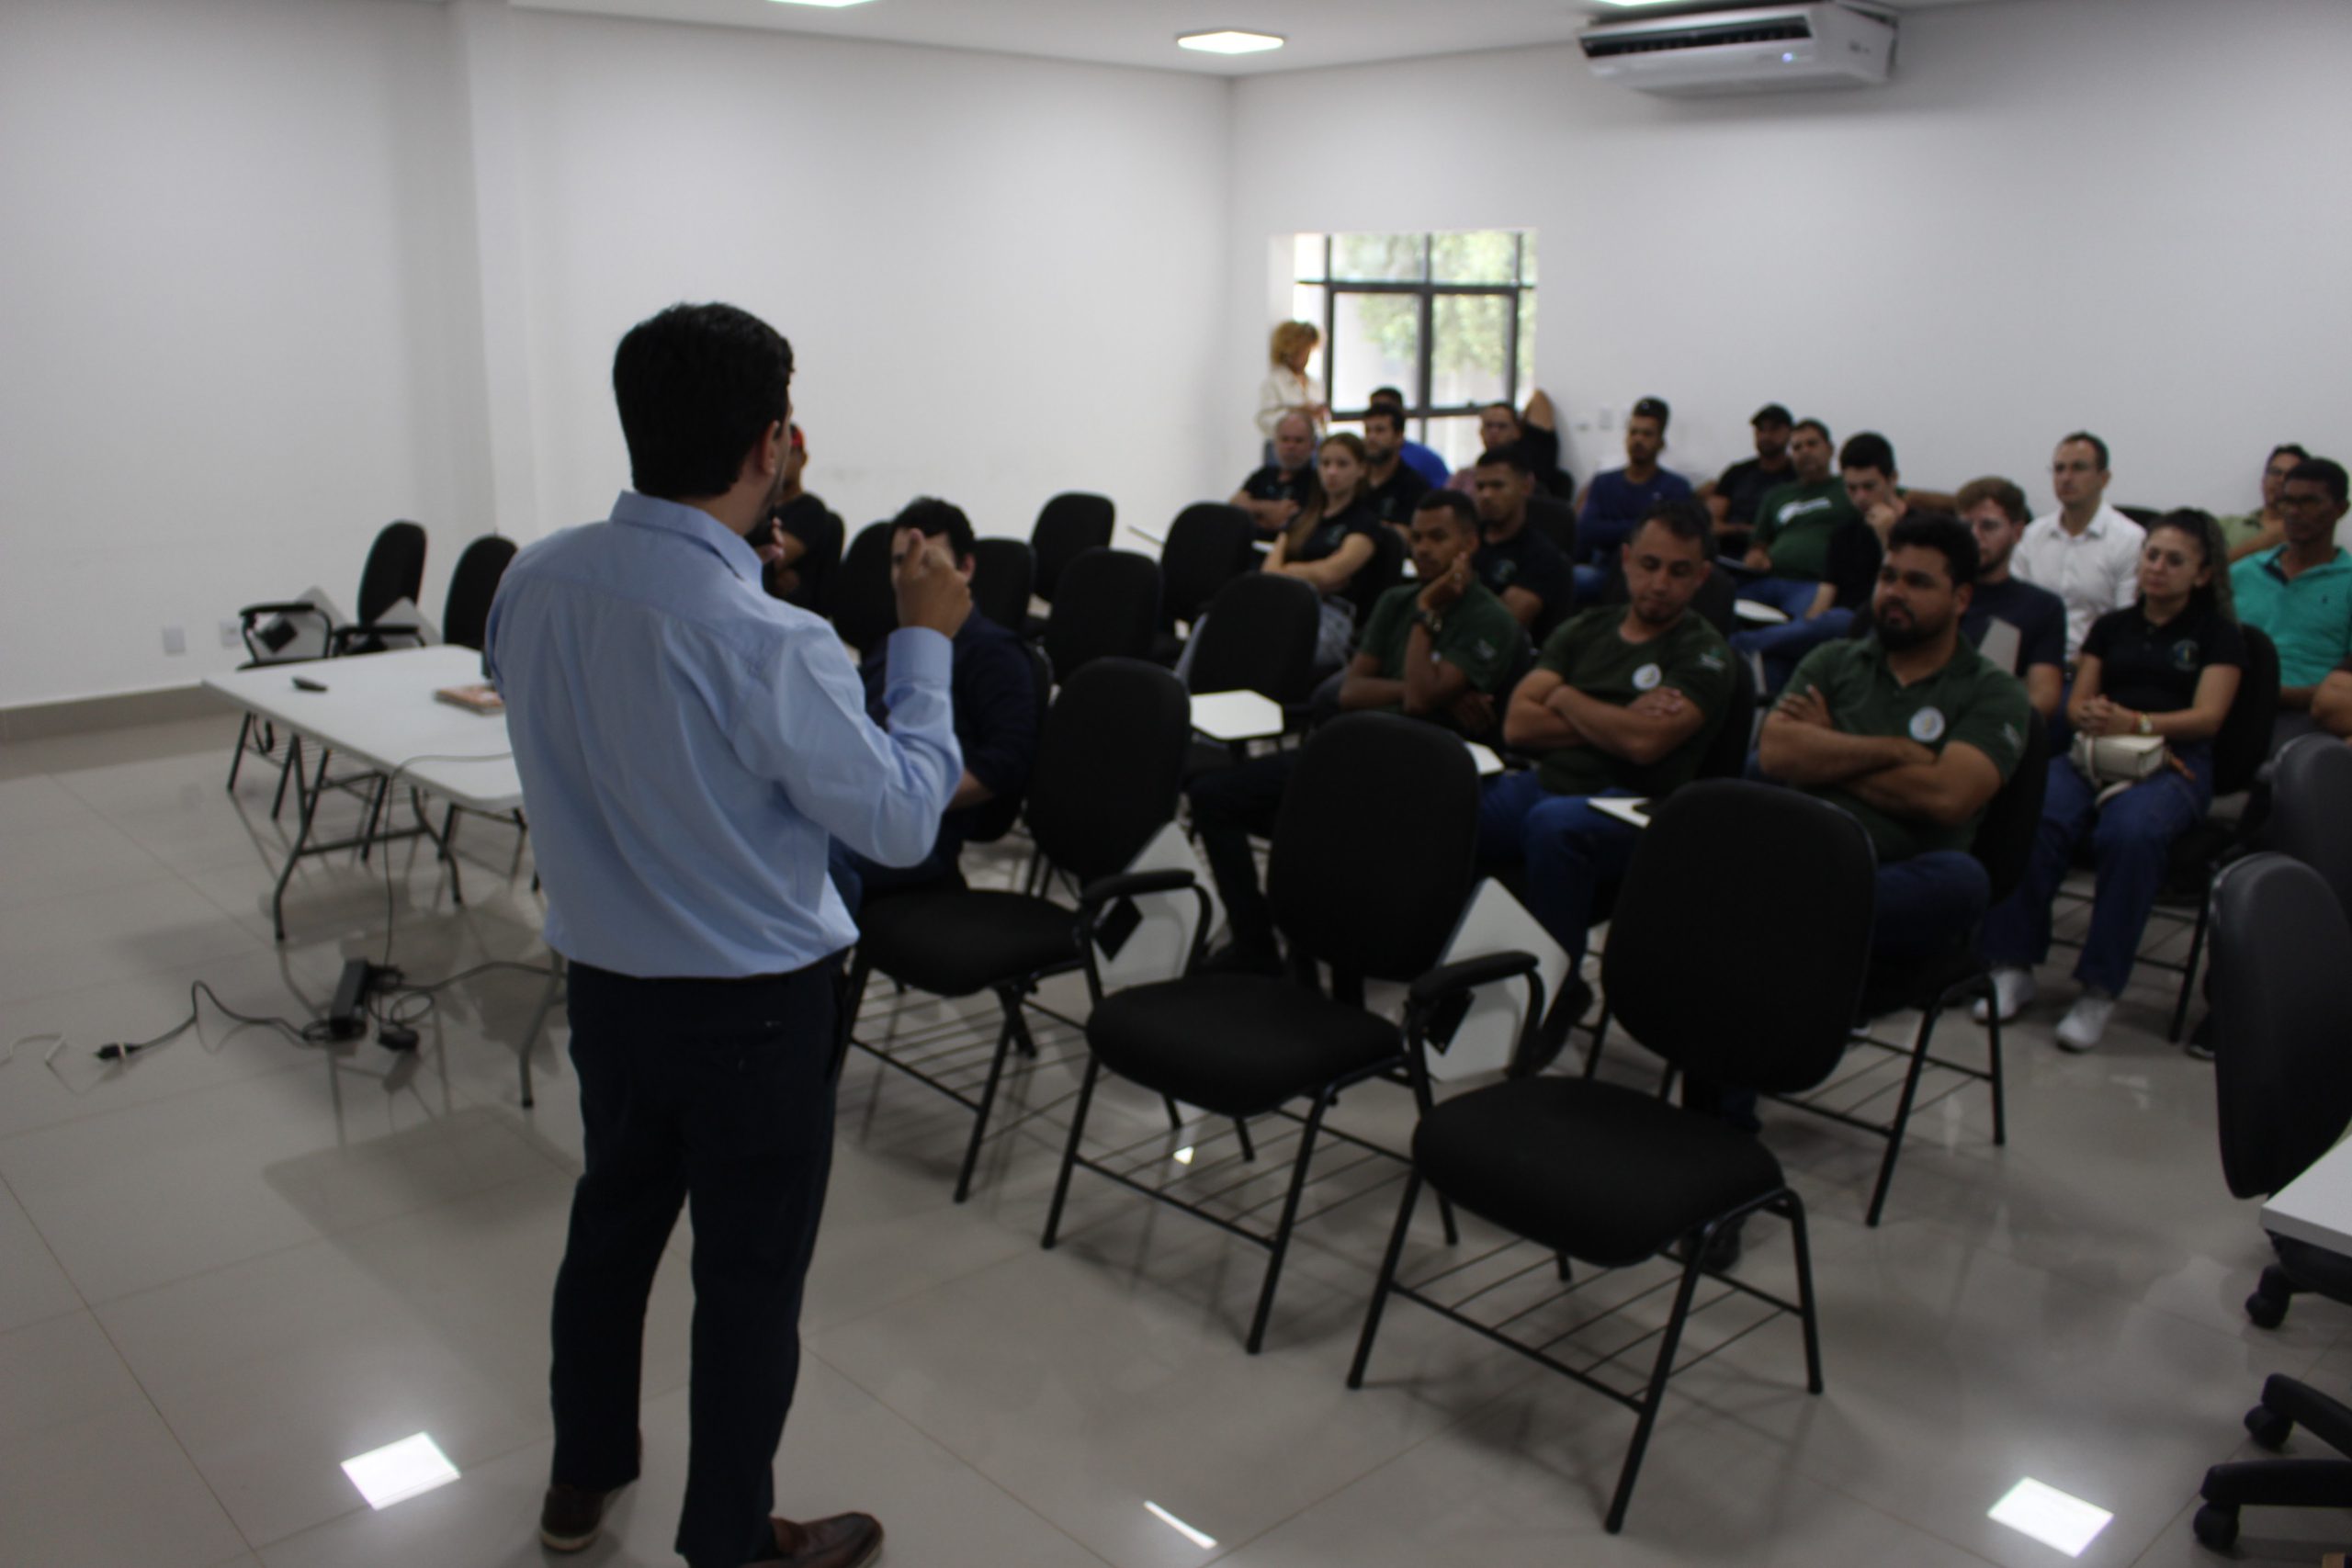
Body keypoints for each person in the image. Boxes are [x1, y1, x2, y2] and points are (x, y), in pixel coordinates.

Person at [485, 302, 965, 1568]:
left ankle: (582, 1477)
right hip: (753, 1011)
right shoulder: (769, 638)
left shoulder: (537, 576)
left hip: (607, 987)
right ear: (770, 445)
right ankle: (727, 1540)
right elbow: (901, 820)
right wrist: (925, 644)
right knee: (747, 1282)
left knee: (610, 1234)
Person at [1189, 499, 1523, 973]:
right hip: (1354, 751)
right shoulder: (1394, 600)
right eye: (1417, 537)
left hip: (1418, 771)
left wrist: (1427, 615)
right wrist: (1432, 689)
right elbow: (1351, 691)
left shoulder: (1490, 619)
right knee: (1212, 796)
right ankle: (1255, 942)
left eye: (1438, 538)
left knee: (1312, 826)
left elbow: (1417, 705)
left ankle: (1319, 951)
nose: (1423, 549)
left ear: (1469, 544)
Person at [1978, 511, 2245, 1051]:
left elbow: (2209, 718)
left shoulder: (2219, 635)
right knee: (2034, 813)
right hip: (2096, 752)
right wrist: (2093, 714)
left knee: (2130, 834)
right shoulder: (2112, 625)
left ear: (2202, 575)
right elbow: (2077, 704)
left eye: (2174, 561)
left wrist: (2137, 722)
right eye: (2152, 555)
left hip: (2174, 762)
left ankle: (2099, 989)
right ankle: (2011, 965)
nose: (2157, 568)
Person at [1478, 500, 1734, 993]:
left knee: (1553, 825)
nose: (1660, 583)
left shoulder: (1704, 653)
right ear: (1626, 559)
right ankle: (1454, 962)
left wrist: (1565, 696)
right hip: (1548, 783)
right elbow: (1518, 725)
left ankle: (1556, 990)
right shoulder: (1585, 628)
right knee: (1452, 803)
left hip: (1632, 805)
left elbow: (1643, 744)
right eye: (1650, 565)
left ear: (1701, 577)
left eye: (1679, 571)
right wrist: (1619, 715)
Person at [1758, 513, 2032, 962]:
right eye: (1888, 577)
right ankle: (1799, 923)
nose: (1894, 593)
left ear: (1961, 598)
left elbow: (1946, 797)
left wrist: (1827, 748)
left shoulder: (1993, 690)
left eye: (1918, 583)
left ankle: (1792, 921)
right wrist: (1897, 751)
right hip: (1804, 844)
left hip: (1896, 873)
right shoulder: (1833, 660)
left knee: (1961, 881)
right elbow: (1776, 752)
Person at [827, 498, 1042, 914]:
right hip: (862, 805)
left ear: (966, 568)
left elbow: (1007, 761)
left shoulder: (993, 651)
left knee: (819, 854)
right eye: (900, 562)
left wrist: (913, 797)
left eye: (928, 561)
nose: (910, 574)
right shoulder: (893, 643)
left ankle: (820, 957)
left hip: (922, 832)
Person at [1729, 431, 1900, 694]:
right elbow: (1824, 595)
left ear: (1892, 480)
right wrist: (1805, 630)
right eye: (1852, 488)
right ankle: (1773, 713)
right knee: (1779, 657)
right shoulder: (1844, 533)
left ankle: (1736, 644)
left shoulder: (1915, 529)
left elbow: (1900, 587)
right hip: (1832, 625)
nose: (1860, 498)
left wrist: (1887, 538)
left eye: (1869, 487)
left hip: (1876, 623)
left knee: (1843, 620)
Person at [2230, 457, 2352, 749]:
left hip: (2306, 715)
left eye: (2309, 502)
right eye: (2288, 501)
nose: (2295, 512)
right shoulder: (2243, 572)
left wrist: (2282, 694)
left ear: (2340, 509)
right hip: (2228, 702)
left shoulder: (2348, 581)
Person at [2012, 431, 2144, 664]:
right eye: (2059, 469)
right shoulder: (2033, 535)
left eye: (2078, 468)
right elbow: (2015, 607)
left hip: (2095, 666)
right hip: (2031, 662)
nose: (2066, 477)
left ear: (2104, 478)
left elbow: (2127, 625)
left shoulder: (2130, 540)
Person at [1263, 431, 1392, 667]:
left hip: (1332, 616)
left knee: (1279, 650)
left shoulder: (1365, 523)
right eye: (1325, 464)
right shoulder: (1301, 519)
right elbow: (1269, 571)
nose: (1332, 472)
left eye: (1342, 464)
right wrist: (1307, 575)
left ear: (1361, 469)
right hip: (1284, 605)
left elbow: (1329, 574)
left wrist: (1288, 570)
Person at [1954, 476, 2068, 719]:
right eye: (1965, 526)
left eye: (1988, 526)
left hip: (1995, 723)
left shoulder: (2042, 607)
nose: (1974, 536)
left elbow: (2044, 697)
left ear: (2017, 532)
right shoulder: (1939, 593)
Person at [1572, 395, 1690, 592]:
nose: (1638, 440)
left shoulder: (1675, 487)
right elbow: (1588, 530)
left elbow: (1666, 538)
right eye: (1633, 432)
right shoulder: (1603, 481)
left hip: (1652, 574)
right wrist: (1640, 526)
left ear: (1661, 442)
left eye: (1647, 434)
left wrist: (1613, 529)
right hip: (1603, 566)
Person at [1737, 419, 1860, 609]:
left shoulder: (1850, 488)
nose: (1804, 451)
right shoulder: (1777, 496)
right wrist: (1756, 555)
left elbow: (1890, 493)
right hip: (1767, 581)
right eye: (1797, 447)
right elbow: (1758, 543)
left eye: (1812, 444)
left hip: (1815, 585)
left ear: (1830, 449)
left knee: (1807, 621)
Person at [1465, 449, 1573, 630]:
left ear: (1526, 487)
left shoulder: (1541, 556)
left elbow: (1501, 625)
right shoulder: (1467, 541)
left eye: (1497, 486)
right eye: (1480, 487)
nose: (1486, 495)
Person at [753, 423, 843, 616]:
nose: (780, 458)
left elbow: (768, 560)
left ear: (803, 458)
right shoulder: (757, 508)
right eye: (773, 450)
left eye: (789, 451)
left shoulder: (810, 508)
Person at [1704, 402, 1795, 558]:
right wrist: (1746, 530)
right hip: (1727, 554)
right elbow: (1711, 524)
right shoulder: (1737, 473)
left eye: (1774, 429)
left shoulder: (1797, 476)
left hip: (1777, 557)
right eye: (1761, 430)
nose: (1766, 436)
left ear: (1790, 433)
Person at [1447, 392, 1568, 499]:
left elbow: (1539, 398)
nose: (1494, 432)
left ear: (1517, 432)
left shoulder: (1527, 473)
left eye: (1502, 426)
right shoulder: (1463, 476)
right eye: (1489, 426)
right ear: (1480, 432)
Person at [2218, 444, 2311, 562]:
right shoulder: (2226, 526)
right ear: (2263, 481)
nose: (2281, 480)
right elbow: (2202, 570)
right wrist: (2263, 543)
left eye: (2291, 475)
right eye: (2276, 472)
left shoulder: (2312, 532)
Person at [1230, 410, 1317, 536]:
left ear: (1312, 445)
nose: (1291, 446)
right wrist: (1268, 508)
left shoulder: (1316, 482)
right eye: (1285, 439)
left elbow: (1288, 524)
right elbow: (1234, 504)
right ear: (1275, 443)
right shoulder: (1263, 475)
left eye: (1298, 440)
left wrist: (1252, 510)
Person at [1360, 401, 1432, 534]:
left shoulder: (1414, 487)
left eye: (1380, 430)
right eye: (1367, 431)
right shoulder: (1355, 480)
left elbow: (1410, 534)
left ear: (1399, 436)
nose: (1371, 437)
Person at [1254, 320, 1326, 443]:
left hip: (1313, 442)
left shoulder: (1315, 384)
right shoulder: (1274, 382)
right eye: (1299, 351)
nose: (1304, 356)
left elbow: (1322, 423)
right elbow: (1264, 421)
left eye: (1307, 350)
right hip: (1284, 446)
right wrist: (1296, 413)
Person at [1369, 384, 1451, 488]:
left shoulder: (1426, 459)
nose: (1372, 437)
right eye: (1375, 409)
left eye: (1386, 409)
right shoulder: (1358, 459)